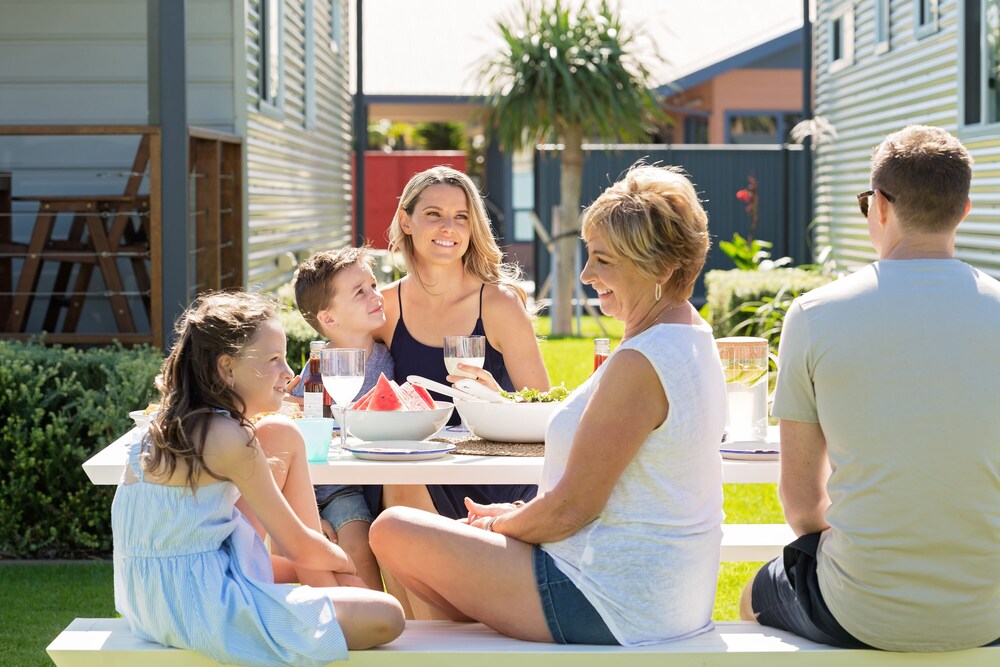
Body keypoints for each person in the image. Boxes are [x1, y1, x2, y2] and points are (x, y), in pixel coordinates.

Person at [369, 164, 726, 645]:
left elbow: (571, 511)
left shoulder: (643, 363)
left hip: (610, 599)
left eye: (603, 260)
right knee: (426, 533)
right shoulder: (689, 337)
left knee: (393, 531)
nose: (586, 274)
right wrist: (515, 513)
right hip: (644, 588)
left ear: (660, 269)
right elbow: (615, 494)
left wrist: (503, 521)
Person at [740, 125, 1000, 652]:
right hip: (991, 610)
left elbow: (801, 504)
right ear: (965, 209)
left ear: (878, 205)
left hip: (859, 609)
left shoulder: (815, 314)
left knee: (750, 598)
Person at [112, 291, 404, 666]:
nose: (289, 374)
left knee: (282, 434)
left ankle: (322, 596)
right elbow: (298, 544)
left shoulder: (163, 428)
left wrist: (319, 562)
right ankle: (324, 605)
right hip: (202, 607)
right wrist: (347, 565)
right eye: (273, 360)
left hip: (153, 598)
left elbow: (292, 551)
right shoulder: (228, 438)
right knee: (388, 615)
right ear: (226, 368)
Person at [372, 166, 550, 522]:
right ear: (406, 221)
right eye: (433, 215)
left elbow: (542, 409)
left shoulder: (498, 303)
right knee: (395, 477)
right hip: (415, 466)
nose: (448, 228)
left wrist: (498, 398)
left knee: (397, 480)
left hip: (491, 470)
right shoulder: (386, 306)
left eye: (461, 218)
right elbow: (355, 377)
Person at [286, 246, 391, 591]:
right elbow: (296, 425)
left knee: (357, 550)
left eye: (374, 285)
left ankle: (384, 622)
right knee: (322, 557)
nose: (376, 295)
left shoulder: (388, 361)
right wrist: (309, 513)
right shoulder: (316, 367)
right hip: (313, 488)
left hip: (355, 487)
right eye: (360, 292)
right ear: (328, 319)